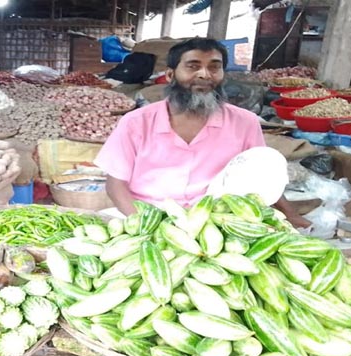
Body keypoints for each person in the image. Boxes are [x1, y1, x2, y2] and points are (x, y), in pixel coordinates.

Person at [94, 38, 310, 228]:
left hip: (216, 221)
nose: (204, 75)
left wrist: (290, 214)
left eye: (214, 67)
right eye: (192, 66)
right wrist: (147, 225)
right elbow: (115, 185)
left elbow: (261, 175)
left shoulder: (245, 122)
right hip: (146, 215)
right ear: (170, 75)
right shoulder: (136, 122)